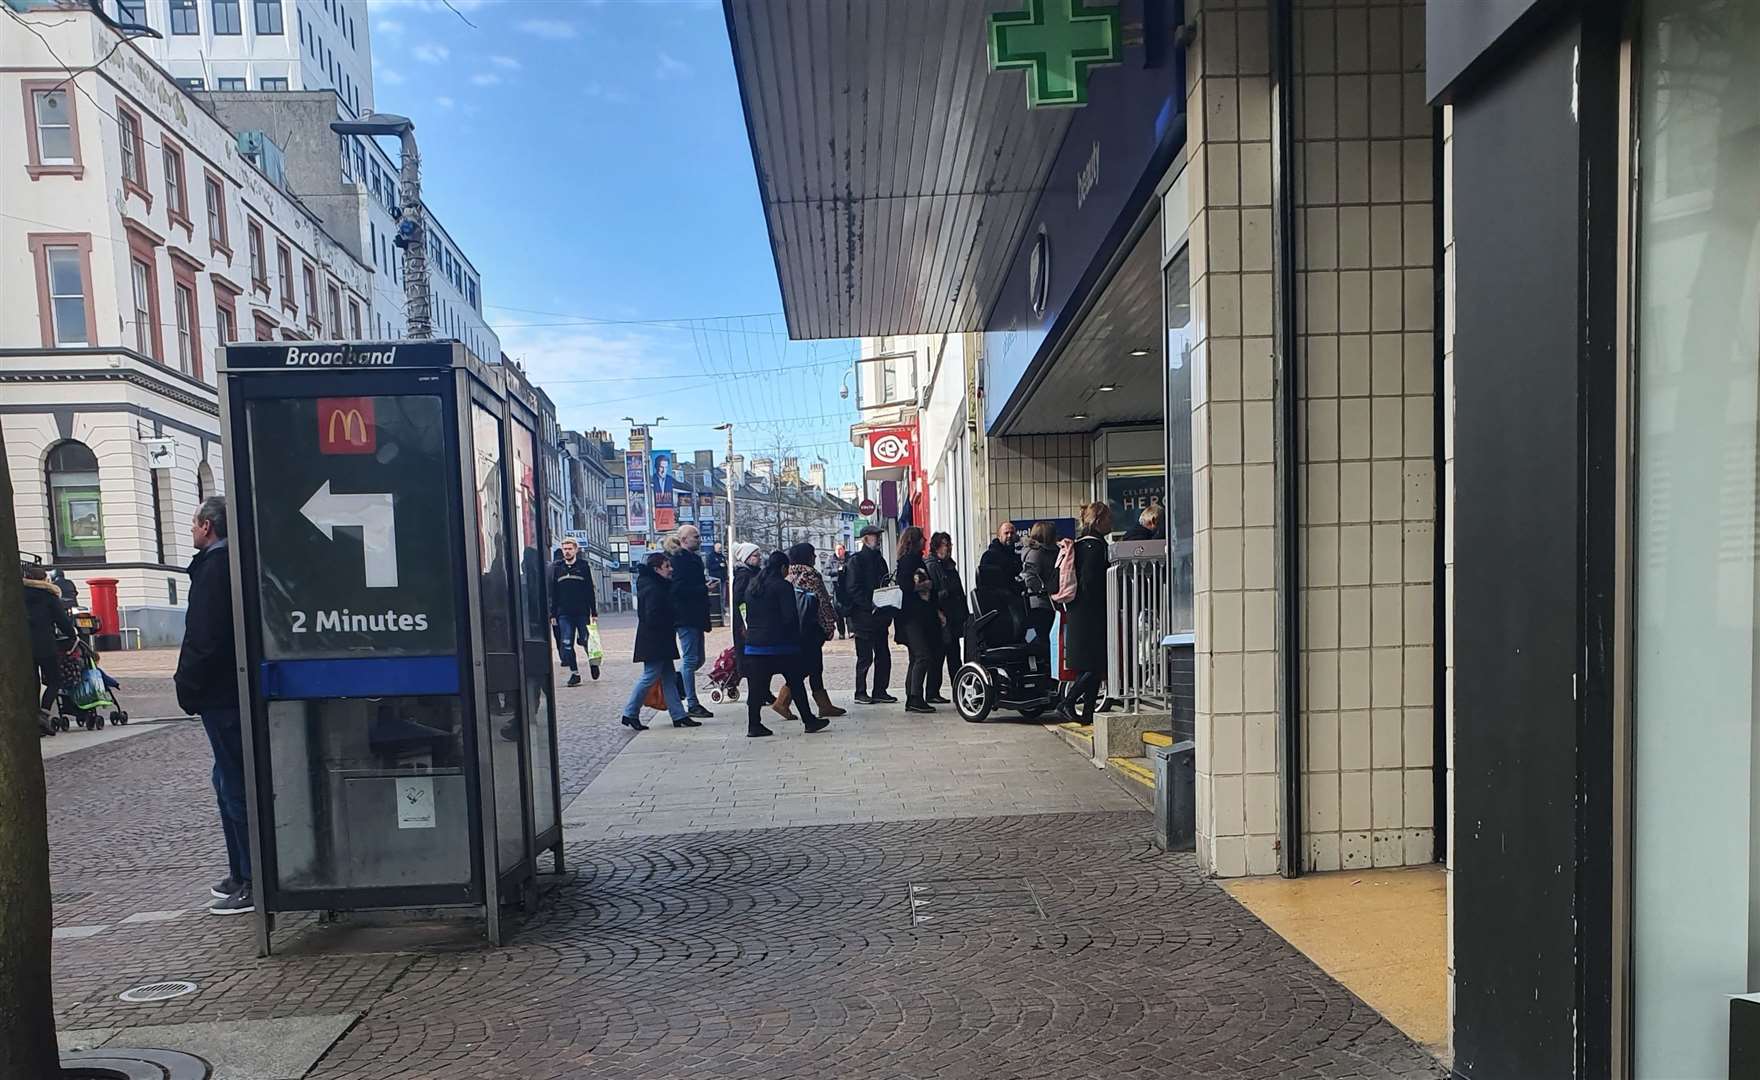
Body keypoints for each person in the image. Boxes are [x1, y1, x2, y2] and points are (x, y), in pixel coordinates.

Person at [173, 497, 251, 916]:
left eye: (193, 523)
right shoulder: (226, 565)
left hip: (221, 696)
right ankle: (241, 872)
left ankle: (251, 878)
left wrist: (186, 685)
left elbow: (203, 637)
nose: (191, 530)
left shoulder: (214, 569)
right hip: (225, 693)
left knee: (234, 784)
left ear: (208, 526)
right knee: (226, 780)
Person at [741, 550, 828, 738]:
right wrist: (797, 639)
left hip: (755, 645)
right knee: (796, 683)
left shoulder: (753, 586)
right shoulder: (782, 586)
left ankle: (754, 725)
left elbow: (747, 614)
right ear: (782, 567)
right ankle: (809, 720)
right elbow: (790, 617)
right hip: (780, 645)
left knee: (755, 688)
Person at [621, 552, 700, 731]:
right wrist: (672, 618)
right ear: (657, 569)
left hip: (657, 639)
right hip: (655, 640)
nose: (671, 569)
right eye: (667, 567)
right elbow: (653, 615)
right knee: (650, 676)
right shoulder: (654, 588)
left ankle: (679, 715)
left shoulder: (655, 585)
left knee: (668, 677)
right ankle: (630, 713)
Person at [774, 541, 846, 721]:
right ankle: (783, 701)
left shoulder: (788, 575)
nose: (814, 557)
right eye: (812, 554)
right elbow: (822, 603)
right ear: (806, 556)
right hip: (812, 627)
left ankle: (823, 704)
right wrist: (830, 625)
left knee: (811, 666)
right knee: (809, 666)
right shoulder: (811, 575)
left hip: (795, 628)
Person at [1056, 501, 1113, 725]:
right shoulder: (1095, 547)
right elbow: (1091, 581)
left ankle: (1088, 712)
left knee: (1090, 665)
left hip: (1078, 612)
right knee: (1097, 664)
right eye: (1109, 519)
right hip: (1091, 612)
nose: (1112, 523)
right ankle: (1068, 702)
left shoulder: (1080, 545)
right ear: (1098, 521)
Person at [845, 524, 896, 704]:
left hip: (879, 616)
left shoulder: (879, 560)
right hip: (863, 617)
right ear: (866, 539)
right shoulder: (856, 561)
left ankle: (880, 690)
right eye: (875, 536)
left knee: (883, 655)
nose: (879, 539)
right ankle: (860, 692)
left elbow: (884, 583)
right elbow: (852, 588)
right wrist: (870, 605)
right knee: (865, 657)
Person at [22, 563, 75, 736]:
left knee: (32, 682)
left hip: (23, 645)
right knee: (54, 680)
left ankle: (32, 719)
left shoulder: (17, 595)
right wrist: (71, 635)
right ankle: (43, 714)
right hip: (45, 644)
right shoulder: (48, 596)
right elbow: (62, 621)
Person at [668, 524, 714, 719]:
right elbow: (677, 589)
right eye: (695, 537)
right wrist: (703, 589)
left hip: (696, 616)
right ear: (684, 540)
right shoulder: (678, 561)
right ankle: (692, 702)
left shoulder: (694, 559)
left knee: (698, 659)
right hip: (685, 616)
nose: (699, 539)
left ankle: (677, 682)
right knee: (690, 659)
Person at [893, 526, 938, 714]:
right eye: (922, 539)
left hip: (912, 616)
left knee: (915, 657)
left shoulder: (910, 560)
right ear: (916, 540)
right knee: (922, 655)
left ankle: (912, 695)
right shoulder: (909, 561)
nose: (925, 541)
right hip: (912, 616)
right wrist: (924, 585)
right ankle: (915, 697)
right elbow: (906, 586)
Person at [923, 532, 968, 705]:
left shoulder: (949, 565)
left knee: (954, 655)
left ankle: (959, 689)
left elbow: (959, 591)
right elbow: (932, 594)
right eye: (943, 544)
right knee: (938, 656)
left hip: (953, 616)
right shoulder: (932, 566)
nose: (947, 548)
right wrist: (945, 595)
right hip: (941, 618)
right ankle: (932, 691)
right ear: (936, 547)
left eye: (949, 544)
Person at [549, 537, 599, 687]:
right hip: (564, 613)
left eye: (570, 548)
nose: (567, 551)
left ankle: (593, 663)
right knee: (566, 643)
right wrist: (553, 614)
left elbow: (590, 589)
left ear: (576, 550)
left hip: (581, 611)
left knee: (585, 640)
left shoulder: (583, 566)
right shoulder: (558, 568)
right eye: (565, 549)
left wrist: (593, 611)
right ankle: (574, 673)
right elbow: (554, 593)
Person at [728, 542, 767, 704]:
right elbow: (738, 600)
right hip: (746, 623)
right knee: (752, 662)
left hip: (753, 621)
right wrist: (744, 622)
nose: (759, 558)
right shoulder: (744, 575)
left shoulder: (754, 573)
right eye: (755, 556)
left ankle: (762, 692)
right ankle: (758, 694)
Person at [1019, 521, 1060, 658]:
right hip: (1041, 602)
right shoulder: (1037, 553)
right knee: (1045, 637)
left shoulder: (1047, 551)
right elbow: (1029, 576)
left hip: (1049, 601)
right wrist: (1043, 589)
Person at [977, 521, 1024, 596]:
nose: (1009, 536)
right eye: (1006, 533)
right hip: (999, 600)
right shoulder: (990, 556)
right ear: (999, 536)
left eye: (1012, 533)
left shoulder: (1016, 555)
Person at [827, 543, 850, 639]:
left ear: (844, 550)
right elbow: (826, 571)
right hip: (836, 587)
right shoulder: (831, 559)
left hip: (847, 586)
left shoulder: (849, 558)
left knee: (849, 609)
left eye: (840, 549)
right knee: (838, 611)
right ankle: (841, 632)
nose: (838, 551)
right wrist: (837, 570)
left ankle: (851, 631)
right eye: (837, 549)